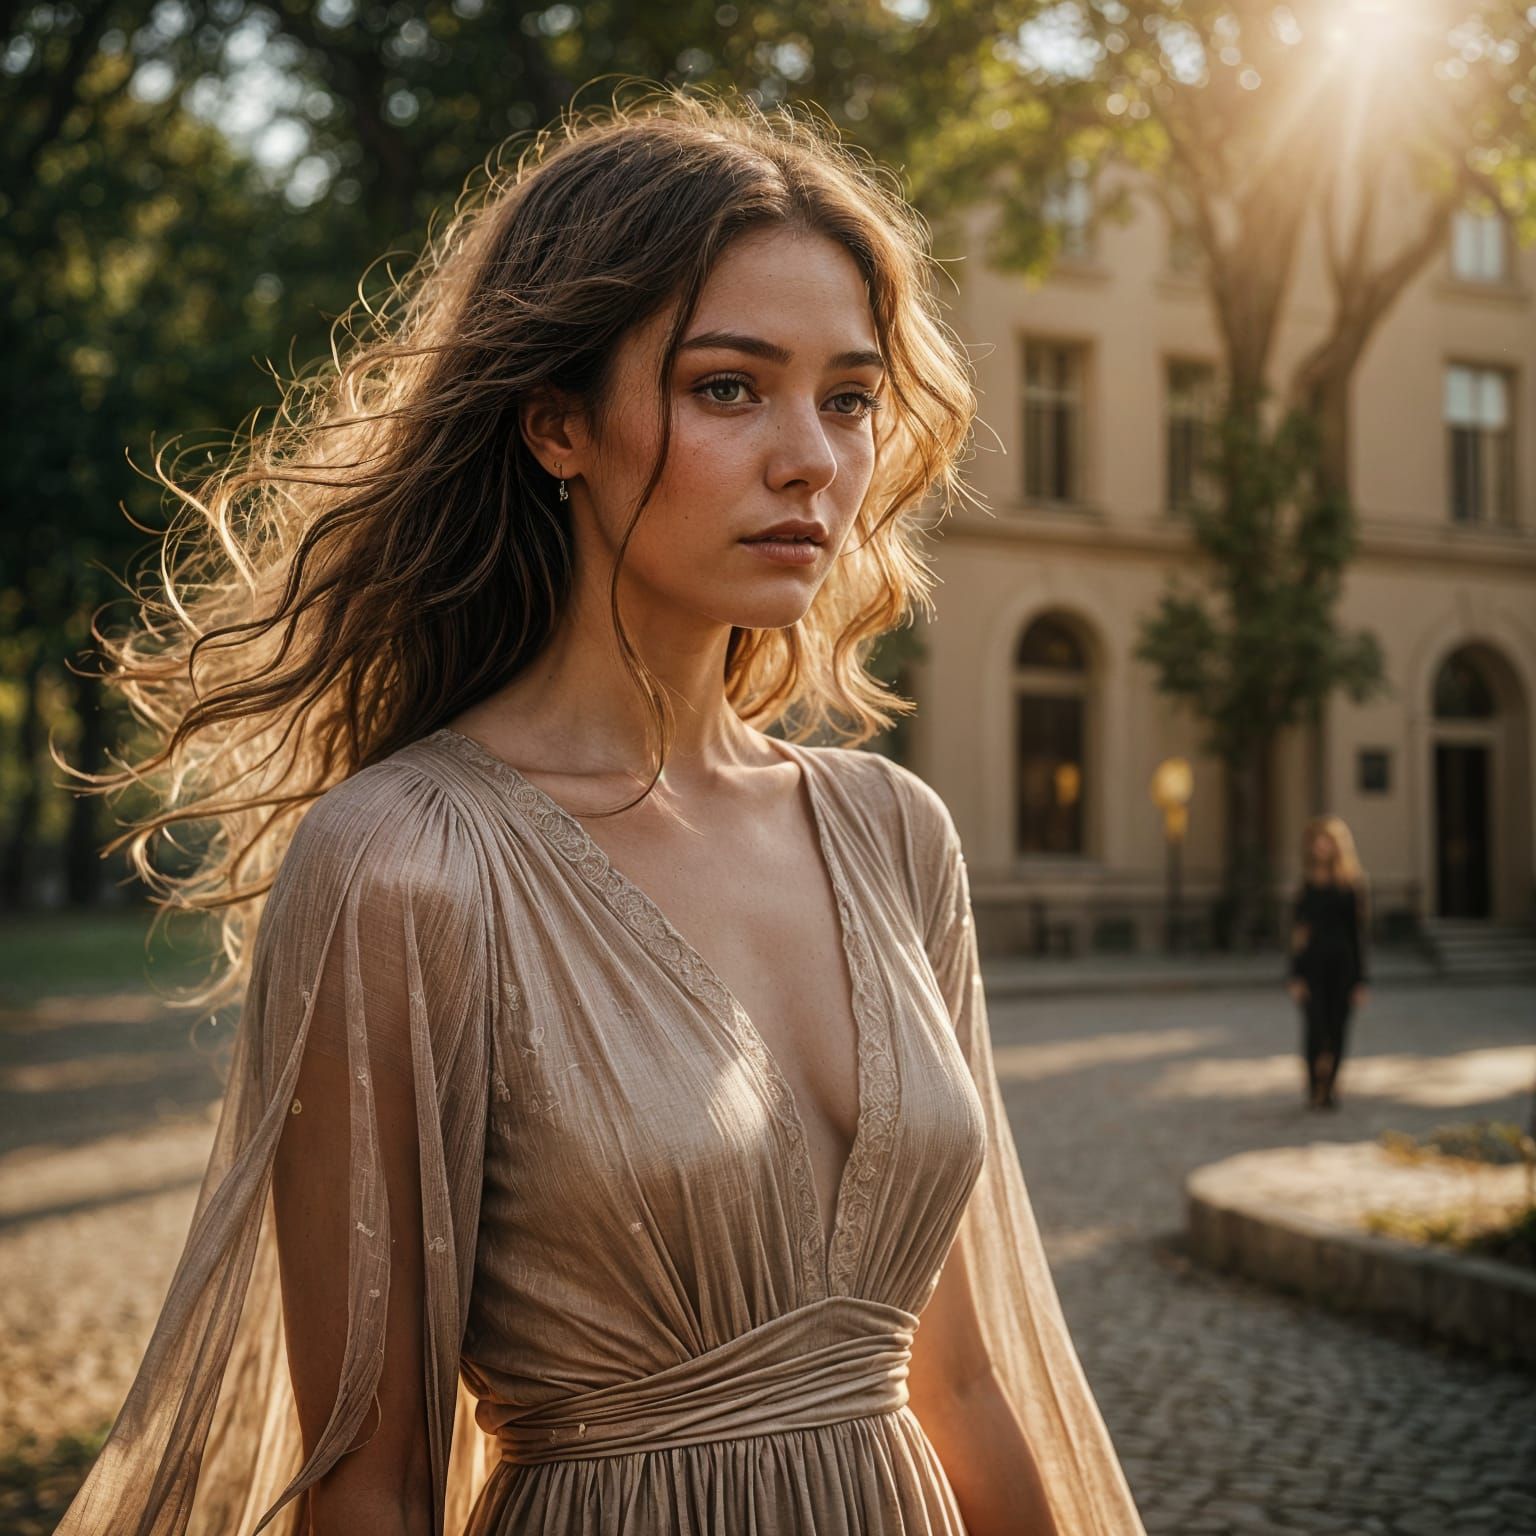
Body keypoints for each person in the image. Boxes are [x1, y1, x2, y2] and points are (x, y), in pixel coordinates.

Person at [54, 87, 1147, 1535]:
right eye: (727, 388)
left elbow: (968, 1395)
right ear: (557, 423)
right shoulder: (407, 863)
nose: (811, 458)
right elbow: (372, 1489)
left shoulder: (895, 833)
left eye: (850, 397)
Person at [1286, 815, 1372, 1112]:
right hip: (1312, 968)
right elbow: (1298, 935)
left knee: (1337, 1029)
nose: (1322, 846)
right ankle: (1313, 1087)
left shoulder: (1352, 886)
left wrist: (1362, 979)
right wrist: (1295, 974)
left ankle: (1331, 1087)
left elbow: (1358, 935)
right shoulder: (1306, 887)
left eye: (1327, 840)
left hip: (1343, 967)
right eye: (1317, 840)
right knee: (1314, 1027)